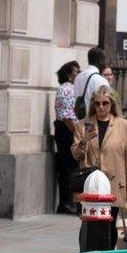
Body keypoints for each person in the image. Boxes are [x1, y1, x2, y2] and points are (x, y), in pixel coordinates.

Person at [72, 87, 127, 249]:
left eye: (105, 103)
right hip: (90, 183)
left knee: (110, 223)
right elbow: (75, 154)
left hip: (114, 183)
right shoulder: (84, 124)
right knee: (88, 222)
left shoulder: (122, 125)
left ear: (112, 104)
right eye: (97, 103)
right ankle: (87, 252)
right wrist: (84, 141)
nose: (101, 107)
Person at [54, 61, 81, 214]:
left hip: (68, 130)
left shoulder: (71, 88)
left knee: (71, 168)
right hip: (66, 131)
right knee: (68, 169)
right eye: (76, 71)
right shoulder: (65, 89)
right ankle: (66, 203)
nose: (78, 74)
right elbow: (67, 117)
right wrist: (77, 133)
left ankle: (70, 202)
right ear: (69, 74)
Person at [72, 47, 108, 117]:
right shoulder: (101, 80)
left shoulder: (78, 77)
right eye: (104, 60)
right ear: (101, 60)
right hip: (95, 122)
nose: (105, 64)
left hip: (80, 121)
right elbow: (106, 104)